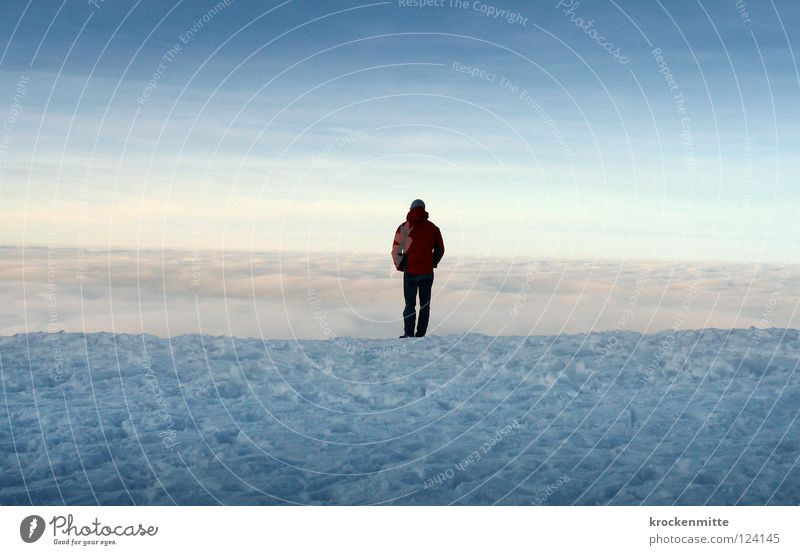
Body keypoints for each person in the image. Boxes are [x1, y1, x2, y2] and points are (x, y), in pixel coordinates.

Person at [391, 199, 445, 338]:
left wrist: (400, 266)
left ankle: (408, 334)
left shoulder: (404, 227)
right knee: (425, 305)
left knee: (410, 305)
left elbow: (396, 250)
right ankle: (420, 335)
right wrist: (433, 262)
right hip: (427, 272)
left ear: (410, 209)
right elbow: (440, 248)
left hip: (410, 271)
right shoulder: (433, 228)